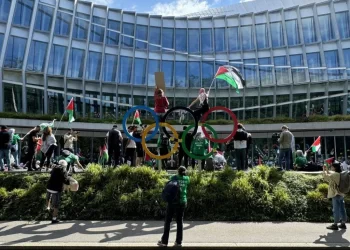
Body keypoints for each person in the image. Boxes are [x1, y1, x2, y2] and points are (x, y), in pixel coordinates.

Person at [158, 166, 190, 247]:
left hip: (173, 202)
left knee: (168, 221)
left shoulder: (174, 177)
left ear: (178, 171)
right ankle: (178, 242)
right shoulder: (187, 179)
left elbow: (170, 182)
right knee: (180, 222)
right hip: (182, 202)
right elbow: (187, 181)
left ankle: (164, 241)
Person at [323, 161, 347, 230]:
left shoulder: (334, 175)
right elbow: (330, 174)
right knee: (342, 209)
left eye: (332, 166)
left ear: (334, 167)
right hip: (341, 193)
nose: (331, 167)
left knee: (335, 209)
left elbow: (325, 177)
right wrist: (327, 169)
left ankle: (335, 224)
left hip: (335, 194)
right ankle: (343, 223)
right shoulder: (341, 173)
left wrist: (324, 169)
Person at [46, 159, 70, 224]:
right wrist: (68, 177)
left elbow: (51, 173)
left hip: (49, 187)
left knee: (48, 200)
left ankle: (48, 209)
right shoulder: (64, 170)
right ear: (65, 165)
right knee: (56, 206)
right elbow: (65, 181)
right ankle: (54, 219)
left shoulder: (54, 168)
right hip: (56, 190)